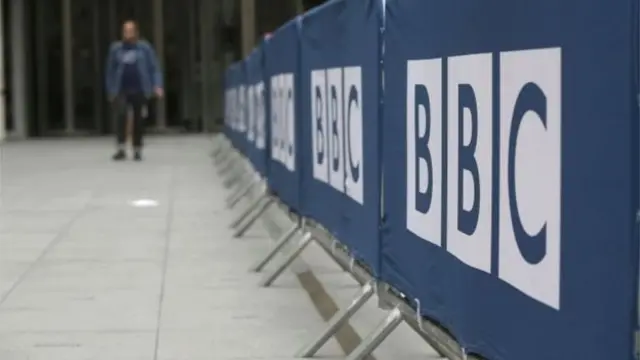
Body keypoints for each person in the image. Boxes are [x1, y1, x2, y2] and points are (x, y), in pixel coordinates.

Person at [105, 20, 164, 161]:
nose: (128, 34)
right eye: (125, 31)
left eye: (130, 31)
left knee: (138, 120)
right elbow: (110, 71)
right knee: (121, 116)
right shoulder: (116, 49)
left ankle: (137, 148)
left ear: (136, 32)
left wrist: (157, 85)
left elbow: (153, 68)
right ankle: (121, 148)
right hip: (121, 89)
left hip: (140, 89)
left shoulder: (144, 48)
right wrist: (110, 90)